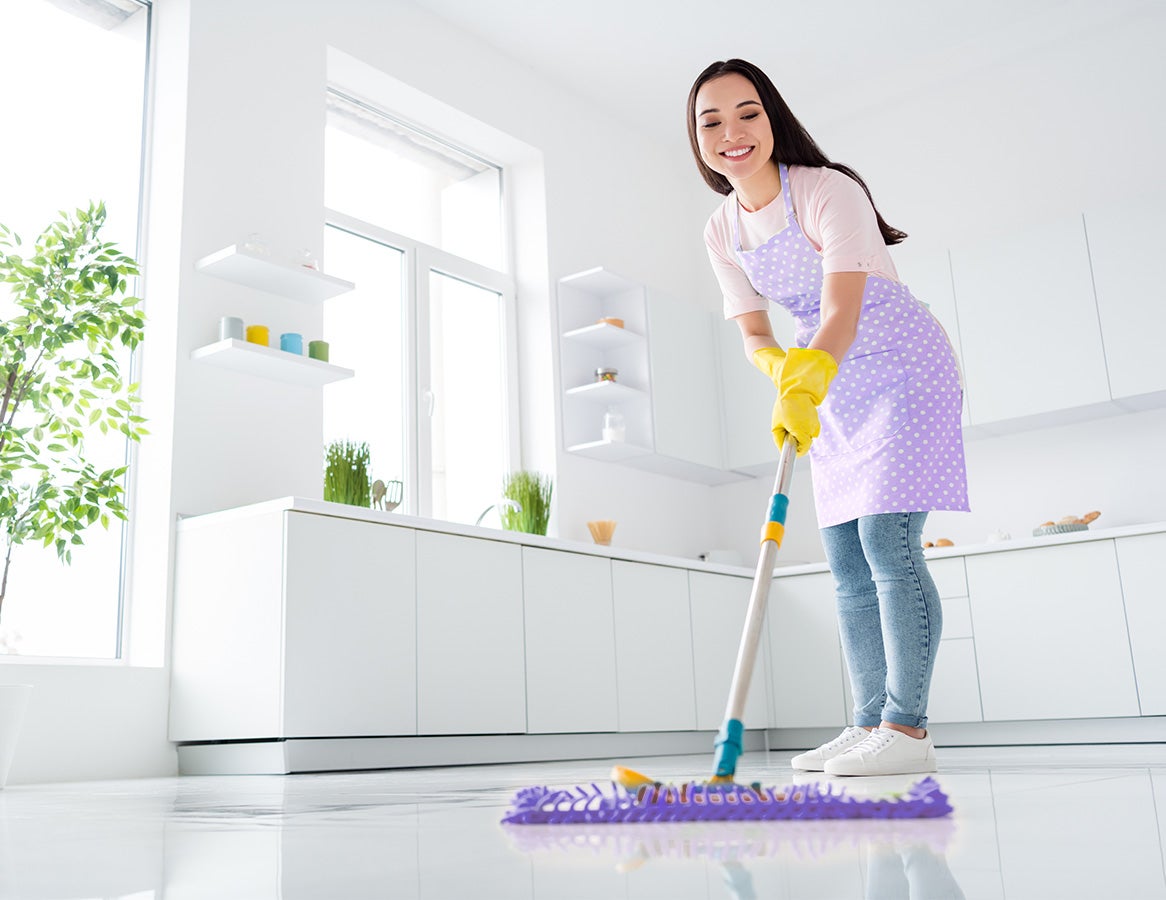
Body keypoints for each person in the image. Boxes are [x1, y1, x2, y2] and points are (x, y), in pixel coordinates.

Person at [688, 59, 969, 777]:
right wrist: (782, 370)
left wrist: (810, 369)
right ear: (698, 142)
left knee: (887, 543)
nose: (732, 133)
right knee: (844, 561)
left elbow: (842, 308)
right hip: (832, 381)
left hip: (901, 364)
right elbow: (754, 332)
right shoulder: (721, 232)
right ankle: (868, 720)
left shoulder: (826, 190)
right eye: (710, 121)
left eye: (747, 112)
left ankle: (907, 731)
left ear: (772, 116)